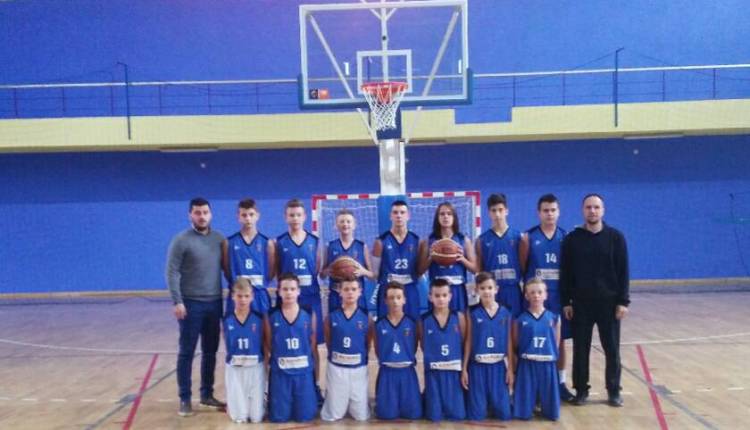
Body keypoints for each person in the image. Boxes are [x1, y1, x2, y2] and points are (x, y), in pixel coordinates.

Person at [560, 193, 629, 407]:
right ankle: (581, 390)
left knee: (612, 349)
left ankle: (614, 391)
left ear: (603, 210)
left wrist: (623, 301)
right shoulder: (572, 239)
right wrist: (566, 301)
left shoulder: (615, 238)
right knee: (581, 349)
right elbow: (566, 272)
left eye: (596, 207)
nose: (592, 211)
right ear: (583, 210)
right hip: (581, 304)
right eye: (588, 207)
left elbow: (623, 271)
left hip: (609, 304)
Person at [165, 197, 226, 417]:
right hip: (190, 304)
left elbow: (228, 269)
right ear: (190, 215)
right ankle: (184, 398)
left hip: (215, 303)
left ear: (211, 214)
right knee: (187, 352)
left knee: (210, 352)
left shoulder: (219, 240)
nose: (202, 216)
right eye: (197, 213)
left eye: (205, 212)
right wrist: (177, 301)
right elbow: (172, 271)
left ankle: (206, 395)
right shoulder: (181, 240)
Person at [524, 193, 574, 401]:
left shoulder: (566, 238)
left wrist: (570, 300)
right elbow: (523, 268)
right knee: (533, 340)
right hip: (536, 299)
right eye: (546, 210)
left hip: (559, 298)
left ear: (559, 212)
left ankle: (560, 383)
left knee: (560, 341)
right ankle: (534, 385)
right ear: (539, 213)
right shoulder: (528, 237)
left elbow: (571, 272)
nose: (549, 214)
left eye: (553, 210)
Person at [264, 273, 319, 422]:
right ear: (279, 291)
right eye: (285, 289)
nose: (289, 293)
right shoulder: (271, 315)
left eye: (292, 289)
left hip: (303, 373)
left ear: (298, 291)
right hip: (280, 373)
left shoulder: (308, 313)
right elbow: (268, 343)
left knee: (305, 417)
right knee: (279, 418)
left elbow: (312, 343)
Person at [461, 272, 513, 421]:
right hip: (477, 366)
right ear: (477, 290)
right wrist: (464, 369)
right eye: (482, 288)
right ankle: (483, 403)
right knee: (476, 416)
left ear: (496, 289)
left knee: (504, 415)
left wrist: (510, 368)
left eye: (490, 288)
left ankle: (495, 402)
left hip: (498, 366)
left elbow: (509, 341)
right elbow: (468, 341)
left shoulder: (506, 311)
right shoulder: (471, 311)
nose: (486, 291)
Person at [320, 277, 372, 421]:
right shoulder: (331, 317)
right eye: (346, 289)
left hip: (358, 368)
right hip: (337, 368)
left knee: (361, 416)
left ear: (360, 292)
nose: (350, 292)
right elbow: (329, 342)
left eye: (354, 289)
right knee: (333, 415)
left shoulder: (366, 318)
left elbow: (367, 343)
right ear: (340, 292)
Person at [276, 199, 324, 344]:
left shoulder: (315, 241)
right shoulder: (279, 242)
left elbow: (317, 269)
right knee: (288, 338)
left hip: (311, 296)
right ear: (285, 217)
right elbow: (277, 270)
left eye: (298, 215)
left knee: (313, 340)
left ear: (305, 217)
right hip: (288, 297)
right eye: (291, 215)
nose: (295, 218)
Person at [513, 278, 561, 421]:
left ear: (546, 295)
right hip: (527, 363)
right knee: (523, 414)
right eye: (532, 292)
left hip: (547, 363)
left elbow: (556, 343)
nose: (536, 295)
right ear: (526, 296)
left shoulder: (554, 318)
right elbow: (515, 343)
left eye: (540, 292)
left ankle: (548, 409)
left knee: (552, 414)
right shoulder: (520, 319)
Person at [374, 282, 423, 420]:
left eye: (398, 297)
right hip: (387, 372)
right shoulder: (379, 324)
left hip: (407, 371)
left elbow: (415, 346)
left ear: (404, 300)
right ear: (385, 301)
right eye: (391, 298)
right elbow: (377, 349)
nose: (395, 301)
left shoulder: (413, 323)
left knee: (414, 414)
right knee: (386, 415)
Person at [421, 278, 467, 421]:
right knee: (434, 416)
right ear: (430, 297)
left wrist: (463, 369)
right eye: (437, 295)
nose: (441, 299)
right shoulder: (423, 320)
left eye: (444, 295)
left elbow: (463, 342)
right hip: (433, 372)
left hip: (454, 372)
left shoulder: (459, 317)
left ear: (450, 296)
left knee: (458, 416)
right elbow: (423, 345)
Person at [419, 202, 478, 312]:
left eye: (449, 214)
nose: (445, 216)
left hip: (457, 290)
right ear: (437, 218)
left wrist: (462, 259)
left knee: (459, 320)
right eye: (442, 214)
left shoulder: (464, 240)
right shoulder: (428, 241)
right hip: (438, 290)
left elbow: (475, 269)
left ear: (454, 217)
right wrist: (431, 257)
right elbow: (419, 271)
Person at [476, 193, 528, 317]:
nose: (497, 214)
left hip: (512, 290)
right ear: (489, 213)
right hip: (492, 292)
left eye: (500, 210)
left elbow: (524, 266)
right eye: (494, 211)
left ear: (507, 211)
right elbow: (480, 270)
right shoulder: (481, 240)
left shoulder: (519, 237)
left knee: (514, 325)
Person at [222, 198, 275, 315]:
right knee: (235, 326)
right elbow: (227, 271)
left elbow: (271, 272)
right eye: (244, 215)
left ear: (258, 216)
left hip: (259, 296)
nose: (248, 218)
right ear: (238, 217)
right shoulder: (229, 243)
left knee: (263, 326)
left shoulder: (267, 243)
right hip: (237, 296)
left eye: (251, 214)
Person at [372, 200, 424, 320]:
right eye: (395, 212)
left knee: (412, 325)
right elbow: (375, 274)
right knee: (386, 325)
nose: (399, 215)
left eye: (402, 212)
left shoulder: (417, 241)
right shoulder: (380, 242)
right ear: (390, 216)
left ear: (408, 216)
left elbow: (420, 271)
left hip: (410, 289)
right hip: (388, 289)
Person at [223, 278, 265, 423]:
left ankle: (261, 401)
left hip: (255, 367)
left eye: (246, 296)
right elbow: (227, 343)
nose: (243, 300)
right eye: (239, 296)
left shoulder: (259, 318)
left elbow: (264, 344)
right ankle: (233, 404)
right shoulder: (226, 319)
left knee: (256, 417)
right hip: (235, 368)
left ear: (252, 296)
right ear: (233, 296)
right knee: (238, 417)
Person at [322, 208, 375, 311]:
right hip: (336, 295)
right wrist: (328, 271)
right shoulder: (330, 246)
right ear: (336, 225)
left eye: (348, 221)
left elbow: (372, 276)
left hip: (356, 296)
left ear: (354, 225)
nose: (345, 224)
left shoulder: (361, 246)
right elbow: (322, 275)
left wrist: (363, 271)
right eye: (342, 221)